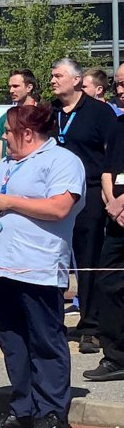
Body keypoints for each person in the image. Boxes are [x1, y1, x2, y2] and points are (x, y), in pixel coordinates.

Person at [0, 104, 84, 428]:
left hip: (36, 266)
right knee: (12, 339)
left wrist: (9, 202)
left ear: (27, 133)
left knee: (44, 340)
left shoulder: (62, 161)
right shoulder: (5, 164)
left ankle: (52, 413)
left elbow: (60, 207)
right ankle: (23, 408)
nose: (4, 137)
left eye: (7, 131)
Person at [50, 58, 117, 354]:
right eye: (51, 76)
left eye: (58, 75)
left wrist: (111, 194)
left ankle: (92, 326)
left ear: (77, 80)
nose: (53, 80)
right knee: (56, 257)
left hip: (88, 192)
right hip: (56, 193)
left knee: (89, 259)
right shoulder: (49, 112)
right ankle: (54, 321)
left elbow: (111, 154)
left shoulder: (99, 112)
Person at [86, 115, 124, 382]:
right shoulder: (118, 126)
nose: (120, 89)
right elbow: (108, 170)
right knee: (108, 282)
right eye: (118, 83)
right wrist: (112, 203)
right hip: (117, 219)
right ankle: (115, 356)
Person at [0, 69, 37, 165]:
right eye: (10, 87)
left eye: (16, 86)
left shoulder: (41, 115)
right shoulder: (6, 118)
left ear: (29, 87)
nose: (11, 90)